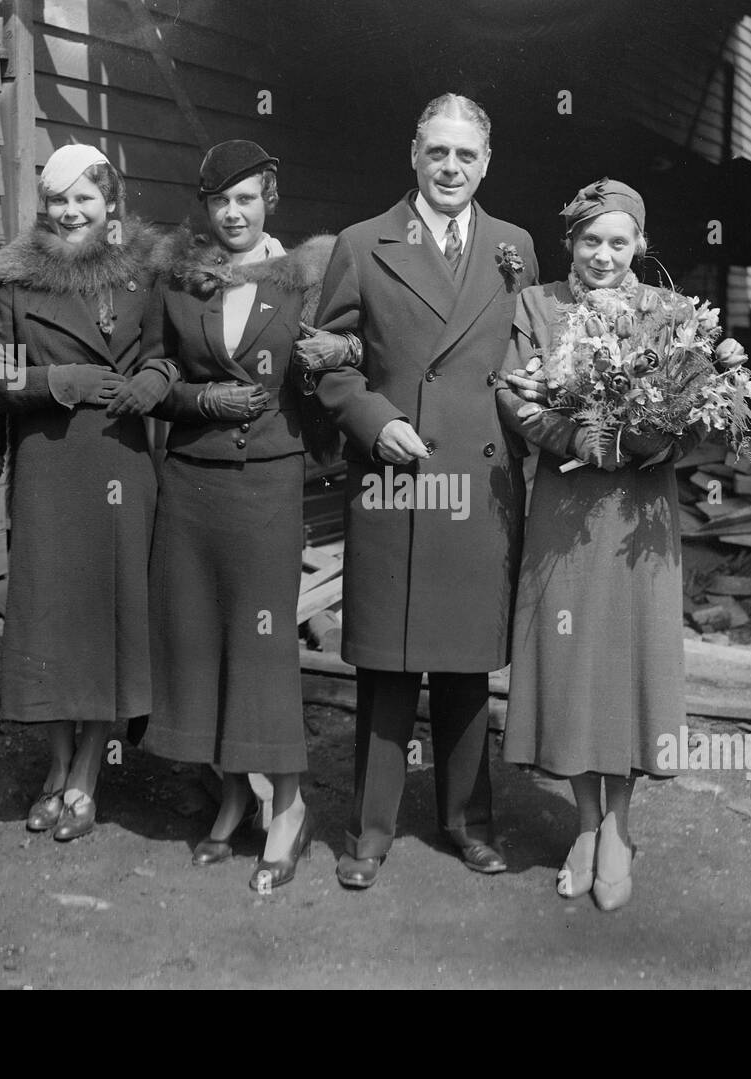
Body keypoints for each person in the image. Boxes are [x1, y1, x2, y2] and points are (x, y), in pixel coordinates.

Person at [305, 94, 538, 889]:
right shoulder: (363, 244)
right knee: (388, 664)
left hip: (480, 483)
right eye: (437, 152)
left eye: (465, 155)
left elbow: (531, 361)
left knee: (468, 665)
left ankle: (470, 822)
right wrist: (372, 421)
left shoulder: (515, 247)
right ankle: (370, 829)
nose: (450, 168)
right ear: (413, 153)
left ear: (486, 163)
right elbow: (327, 361)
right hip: (399, 479)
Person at [495, 178, 705, 911]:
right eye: (591, 241)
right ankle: (584, 823)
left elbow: (698, 408)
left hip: (640, 512)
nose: (605, 254)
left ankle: (620, 827)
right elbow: (513, 395)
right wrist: (579, 435)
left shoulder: (668, 312)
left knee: (631, 659)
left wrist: (650, 438)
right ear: (571, 245)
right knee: (573, 660)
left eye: (619, 241)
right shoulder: (538, 306)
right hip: (567, 510)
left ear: (640, 245)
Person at [140, 140, 335, 891]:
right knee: (199, 641)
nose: (234, 213)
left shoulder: (303, 280)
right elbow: (156, 373)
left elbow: (335, 367)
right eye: (221, 201)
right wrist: (199, 401)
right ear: (206, 207)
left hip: (268, 485)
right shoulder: (181, 280)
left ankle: (286, 805)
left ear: (270, 201)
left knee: (261, 643)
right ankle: (229, 794)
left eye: (248, 198)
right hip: (190, 484)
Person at [0, 144, 174, 841]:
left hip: (119, 460)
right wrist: (61, 383)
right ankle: (55, 766)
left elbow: (166, 349)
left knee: (105, 616)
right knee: (54, 615)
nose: (70, 211)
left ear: (111, 204)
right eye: (59, 199)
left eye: (85, 198)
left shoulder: (147, 271)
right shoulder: (12, 279)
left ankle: (88, 770)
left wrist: (153, 381)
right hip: (49, 465)